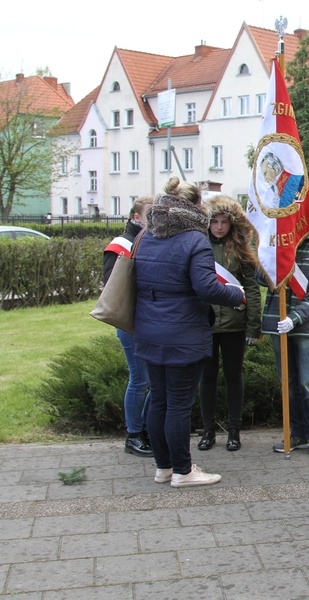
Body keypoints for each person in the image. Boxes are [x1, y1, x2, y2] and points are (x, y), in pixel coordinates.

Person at [134, 177, 245, 488]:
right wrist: (237, 297)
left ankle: (164, 467)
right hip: (183, 333)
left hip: (149, 330)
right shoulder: (195, 240)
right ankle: (184, 471)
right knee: (179, 404)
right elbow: (206, 287)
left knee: (159, 400)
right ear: (195, 207)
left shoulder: (146, 236)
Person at [197, 195, 262, 452]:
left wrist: (253, 325)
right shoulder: (198, 246)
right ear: (208, 222)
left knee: (234, 377)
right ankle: (208, 431)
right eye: (215, 221)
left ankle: (234, 431)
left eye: (224, 221)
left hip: (235, 323)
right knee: (207, 378)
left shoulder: (242, 248)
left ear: (231, 223)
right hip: (206, 323)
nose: (220, 227)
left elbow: (251, 287)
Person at [262, 234, 309, 458]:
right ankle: (296, 432)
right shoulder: (274, 246)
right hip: (277, 321)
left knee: (307, 383)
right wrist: (268, 254)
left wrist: (295, 317)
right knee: (288, 384)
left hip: (306, 327)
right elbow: (259, 277)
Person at [103, 196, 154, 458]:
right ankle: (134, 435)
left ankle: (144, 430)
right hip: (130, 322)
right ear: (136, 217)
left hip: (146, 321)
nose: (154, 219)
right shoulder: (121, 245)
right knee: (140, 379)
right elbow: (113, 287)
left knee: (149, 380)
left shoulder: (146, 241)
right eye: (149, 214)